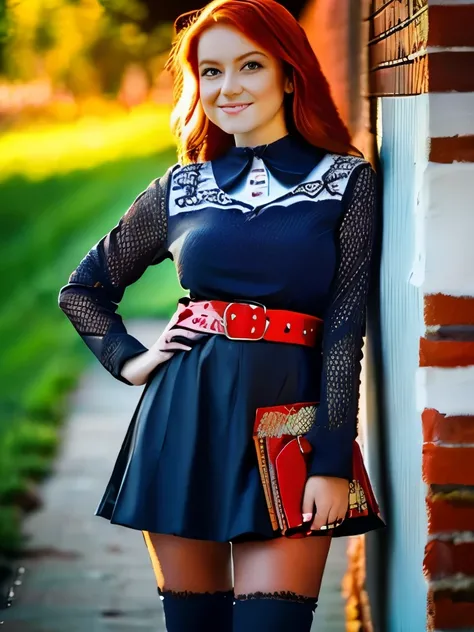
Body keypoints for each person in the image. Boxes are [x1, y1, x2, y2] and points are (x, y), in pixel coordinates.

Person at [58, 0, 384, 629]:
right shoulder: (179, 187)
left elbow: (345, 327)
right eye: (210, 72)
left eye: (250, 66)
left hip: (288, 428)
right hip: (181, 422)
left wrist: (330, 460)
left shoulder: (347, 180)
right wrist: (132, 360)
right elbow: (84, 288)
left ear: (290, 74)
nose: (227, 88)